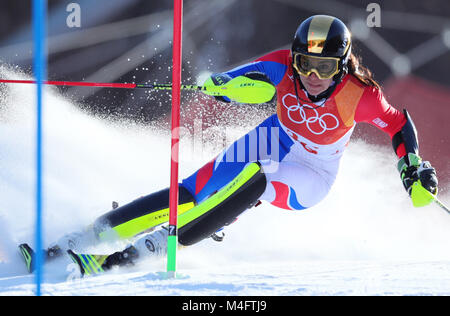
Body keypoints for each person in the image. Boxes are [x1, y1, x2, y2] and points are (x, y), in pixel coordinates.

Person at [20, 15, 439, 275]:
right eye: (305, 64)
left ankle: (155, 246)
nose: (312, 75)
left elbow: (398, 124)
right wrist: (221, 87)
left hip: (312, 172)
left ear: (342, 65)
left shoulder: (358, 94)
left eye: (324, 67)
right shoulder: (284, 66)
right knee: (191, 189)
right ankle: (91, 234)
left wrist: (412, 169)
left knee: (255, 181)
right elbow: (243, 80)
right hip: (275, 136)